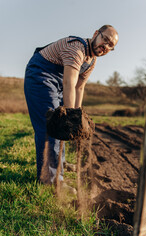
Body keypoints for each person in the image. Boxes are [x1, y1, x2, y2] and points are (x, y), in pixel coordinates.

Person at [24, 24, 119, 185]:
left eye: (111, 46)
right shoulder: (77, 48)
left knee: (64, 125)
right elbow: (69, 82)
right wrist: (68, 116)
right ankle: (50, 179)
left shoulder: (91, 60)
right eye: (105, 39)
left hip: (60, 83)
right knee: (53, 124)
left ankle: (58, 164)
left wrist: (77, 116)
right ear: (96, 33)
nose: (106, 46)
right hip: (41, 76)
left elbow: (79, 87)